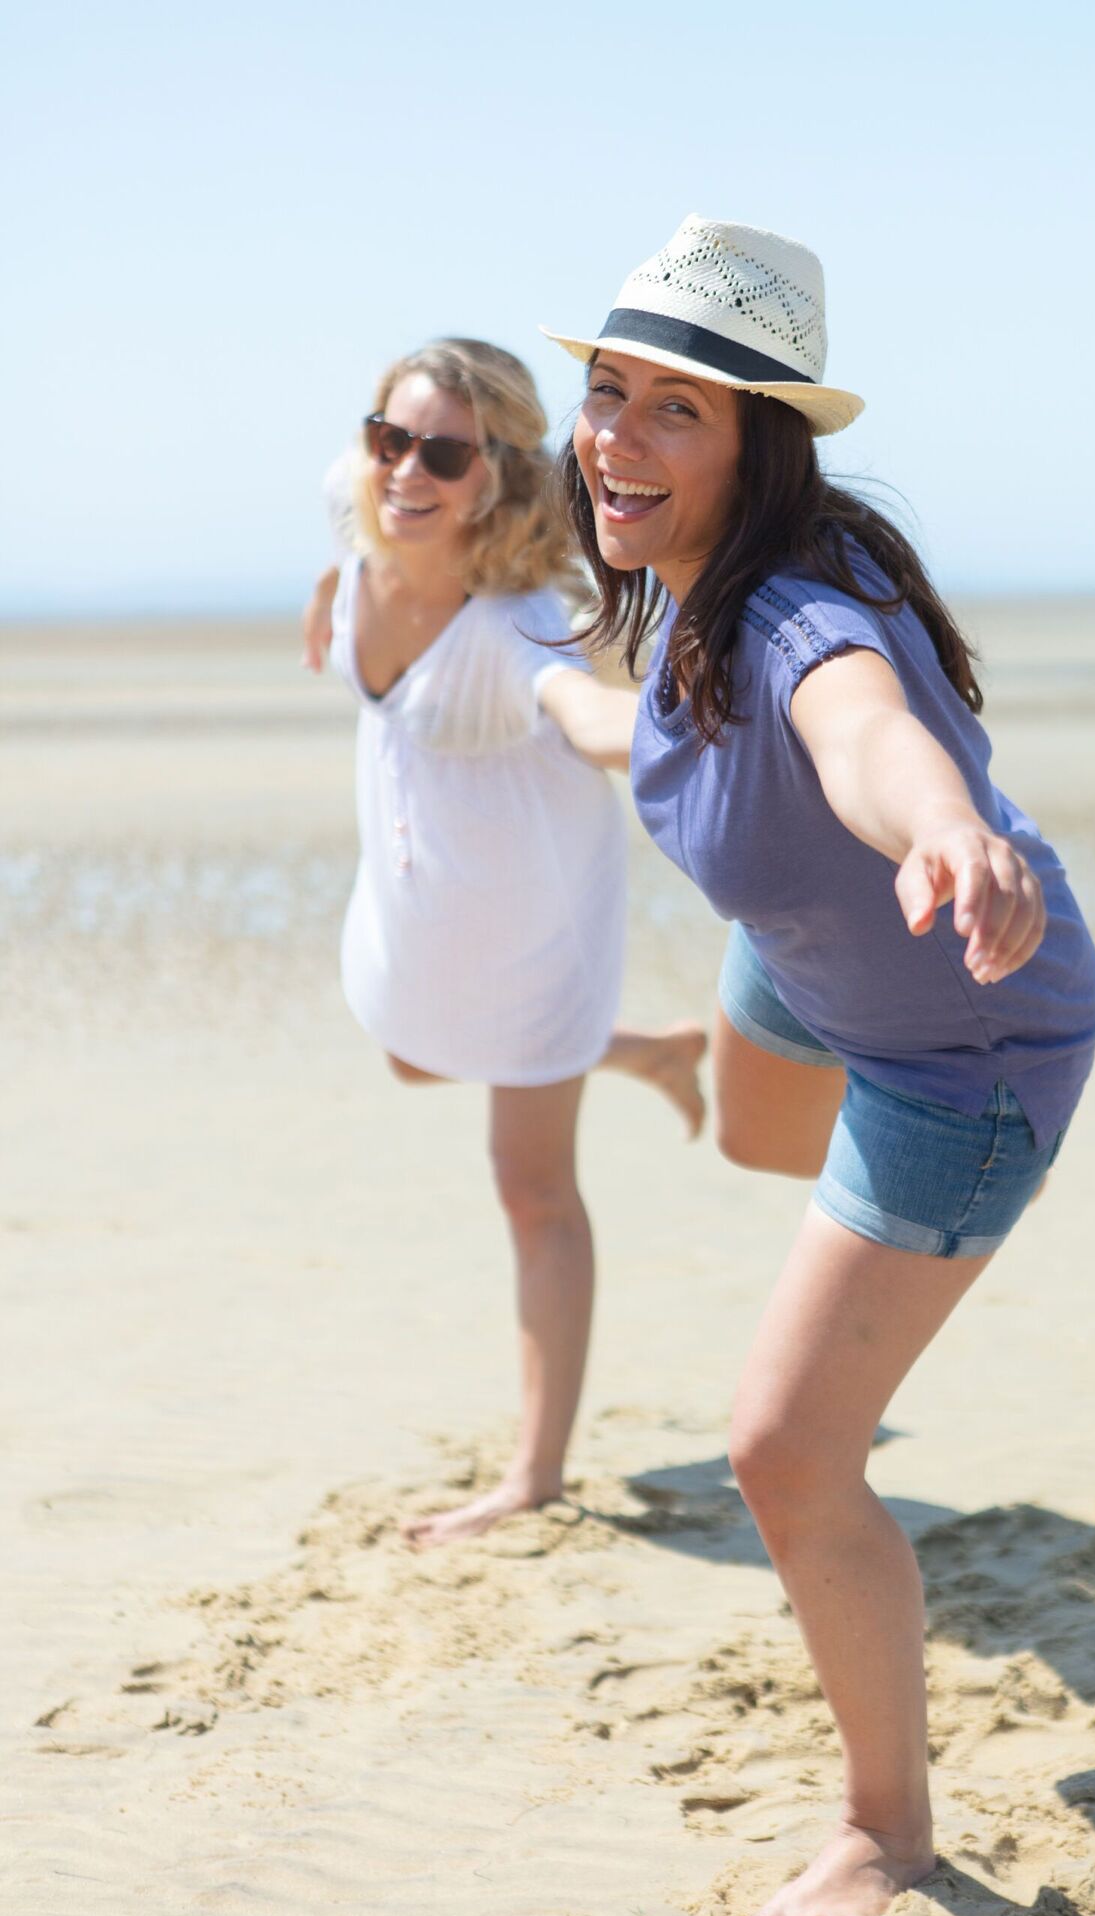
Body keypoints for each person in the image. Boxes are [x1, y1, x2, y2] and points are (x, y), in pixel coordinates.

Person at [547, 217, 1095, 1916]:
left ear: (760, 442)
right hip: (801, 980)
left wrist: (949, 828)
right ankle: (731, 1112)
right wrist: (510, 688)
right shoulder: (691, 597)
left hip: (968, 1043)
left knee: (786, 1455)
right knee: (738, 1142)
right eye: (607, 393)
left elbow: (868, 732)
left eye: (675, 413)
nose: (618, 440)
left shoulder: (794, 611)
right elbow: (624, 722)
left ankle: (889, 1833)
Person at [309, 338, 706, 1547]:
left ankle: (533, 1473)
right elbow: (350, 546)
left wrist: (680, 737)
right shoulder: (358, 516)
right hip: (419, 906)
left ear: (496, 473)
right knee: (411, 1053)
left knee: (532, 1192)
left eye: (442, 453)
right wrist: (329, 615)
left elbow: (586, 715)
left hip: (524, 927)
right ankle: (642, 1050)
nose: (405, 471)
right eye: (391, 438)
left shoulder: (522, 625)